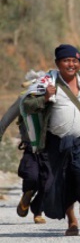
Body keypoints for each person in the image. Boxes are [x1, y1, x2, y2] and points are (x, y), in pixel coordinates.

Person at [22, 44, 80, 236]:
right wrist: (45, 98)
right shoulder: (47, 81)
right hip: (56, 143)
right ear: (57, 63)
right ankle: (72, 221)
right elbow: (27, 104)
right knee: (62, 182)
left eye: (75, 61)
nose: (71, 64)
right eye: (66, 60)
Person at [1, 96, 49, 224]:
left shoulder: (58, 94)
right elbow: (7, 118)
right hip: (31, 145)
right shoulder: (25, 97)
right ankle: (27, 196)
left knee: (48, 182)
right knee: (31, 176)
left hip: (51, 148)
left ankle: (38, 211)